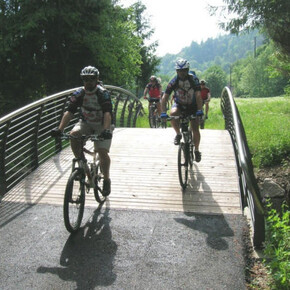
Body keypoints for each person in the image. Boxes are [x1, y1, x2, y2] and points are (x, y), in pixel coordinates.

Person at [51, 66, 113, 196]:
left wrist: (106, 130)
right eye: (85, 79)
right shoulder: (79, 94)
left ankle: (106, 179)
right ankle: (82, 165)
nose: (88, 82)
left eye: (91, 79)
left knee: (102, 152)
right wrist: (60, 129)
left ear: (97, 79)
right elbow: (69, 112)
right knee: (73, 135)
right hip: (85, 123)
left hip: (102, 124)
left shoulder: (103, 93)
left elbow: (107, 113)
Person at [160, 59, 203, 162]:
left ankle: (196, 150)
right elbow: (165, 97)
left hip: (193, 106)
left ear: (187, 70)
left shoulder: (193, 80)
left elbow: (198, 95)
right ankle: (178, 134)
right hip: (180, 104)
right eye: (179, 70)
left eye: (184, 70)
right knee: (173, 114)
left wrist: (200, 110)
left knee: (195, 127)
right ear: (176, 71)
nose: (182, 72)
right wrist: (163, 112)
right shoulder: (174, 81)